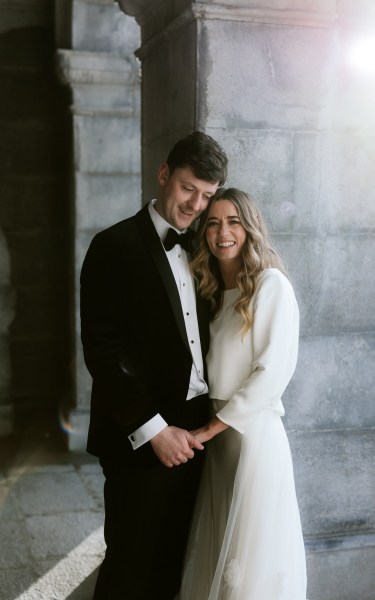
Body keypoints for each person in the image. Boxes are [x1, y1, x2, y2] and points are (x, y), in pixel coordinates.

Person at [80, 131, 228, 599]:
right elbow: (102, 352)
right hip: (139, 434)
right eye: (189, 188)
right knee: (128, 568)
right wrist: (154, 430)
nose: (195, 205)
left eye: (207, 196)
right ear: (164, 175)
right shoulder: (113, 246)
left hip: (195, 432)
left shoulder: (205, 248)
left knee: (171, 566)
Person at [180, 188, 307, 600]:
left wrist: (212, 428)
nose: (222, 232)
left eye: (233, 221)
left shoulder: (272, 285)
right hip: (218, 444)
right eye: (213, 223)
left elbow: (271, 374)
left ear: (250, 228)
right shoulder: (213, 291)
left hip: (249, 438)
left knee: (248, 563)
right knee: (219, 551)